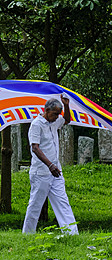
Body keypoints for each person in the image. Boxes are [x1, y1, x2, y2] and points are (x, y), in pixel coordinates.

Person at [23, 94, 78, 235]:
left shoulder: (54, 121)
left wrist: (66, 105)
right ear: (46, 110)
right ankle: (28, 234)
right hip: (41, 172)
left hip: (55, 171)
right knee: (35, 204)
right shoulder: (36, 124)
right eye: (54, 114)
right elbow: (35, 148)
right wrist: (49, 165)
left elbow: (67, 120)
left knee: (63, 201)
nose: (56, 117)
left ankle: (71, 233)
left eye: (58, 114)